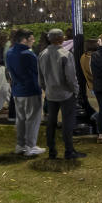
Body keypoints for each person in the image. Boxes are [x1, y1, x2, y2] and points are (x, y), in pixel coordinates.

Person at [38, 28, 85, 160]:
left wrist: (46, 90)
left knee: (51, 123)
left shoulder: (42, 54)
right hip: (65, 94)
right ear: (61, 38)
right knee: (67, 122)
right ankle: (69, 151)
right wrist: (75, 91)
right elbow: (71, 77)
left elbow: (40, 78)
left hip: (50, 94)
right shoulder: (66, 54)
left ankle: (52, 151)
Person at [6, 28, 44, 156]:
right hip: (31, 90)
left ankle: (20, 145)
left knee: (21, 119)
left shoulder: (9, 53)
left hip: (17, 91)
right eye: (31, 39)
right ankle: (30, 146)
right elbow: (39, 71)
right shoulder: (28, 54)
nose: (33, 41)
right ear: (24, 40)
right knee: (33, 119)